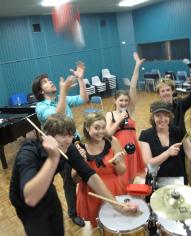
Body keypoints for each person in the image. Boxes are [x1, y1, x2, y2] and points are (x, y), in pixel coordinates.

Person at [9, 113, 138, 236]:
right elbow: (31, 198)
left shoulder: (68, 147)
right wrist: (53, 159)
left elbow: (89, 175)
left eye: (70, 135)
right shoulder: (28, 153)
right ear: (47, 136)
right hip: (26, 200)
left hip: (48, 189)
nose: (68, 140)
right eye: (63, 135)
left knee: (57, 229)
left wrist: (118, 205)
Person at [32, 61, 88, 226]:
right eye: (45, 82)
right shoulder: (40, 107)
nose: (50, 81)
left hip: (76, 142)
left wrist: (80, 79)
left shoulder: (60, 98)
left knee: (84, 175)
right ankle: (73, 213)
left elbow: (84, 98)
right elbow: (58, 117)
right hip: (61, 149)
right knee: (69, 183)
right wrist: (63, 92)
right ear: (41, 91)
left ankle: (87, 204)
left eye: (49, 80)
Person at [73, 112, 126, 227]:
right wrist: (81, 163)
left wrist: (116, 162)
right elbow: (76, 179)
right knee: (97, 226)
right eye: (96, 128)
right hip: (91, 193)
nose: (101, 131)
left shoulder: (112, 141)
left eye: (103, 127)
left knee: (116, 224)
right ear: (87, 128)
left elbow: (122, 171)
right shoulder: (79, 147)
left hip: (113, 190)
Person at [105, 52, 145, 187]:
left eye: (126, 100)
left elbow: (132, 87)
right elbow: (108, 134)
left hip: (132, 148)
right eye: (121, 100)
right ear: (115, 101)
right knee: (120, 176)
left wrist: (136, 67)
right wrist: (118, 121)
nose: (123, 103)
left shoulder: (129, 111)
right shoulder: (109, 115)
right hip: (118, 150)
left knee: (132, 176)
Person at [139, 101, 191, 185]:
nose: (162, 119)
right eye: (158, 115)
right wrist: (168, 152)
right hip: (155, 182)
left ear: (170, 116)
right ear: (153, 117)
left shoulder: (179, 132)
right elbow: (149, 163)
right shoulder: (145, 135)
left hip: (177, 182)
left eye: (165, 115)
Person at [155, 65, 191, 135]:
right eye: (162, 91)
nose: (166, 93)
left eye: (168, 90)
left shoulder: (180, 104)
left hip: (182, 142)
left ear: (172, 91)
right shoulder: (156, 110)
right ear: (159, 94)